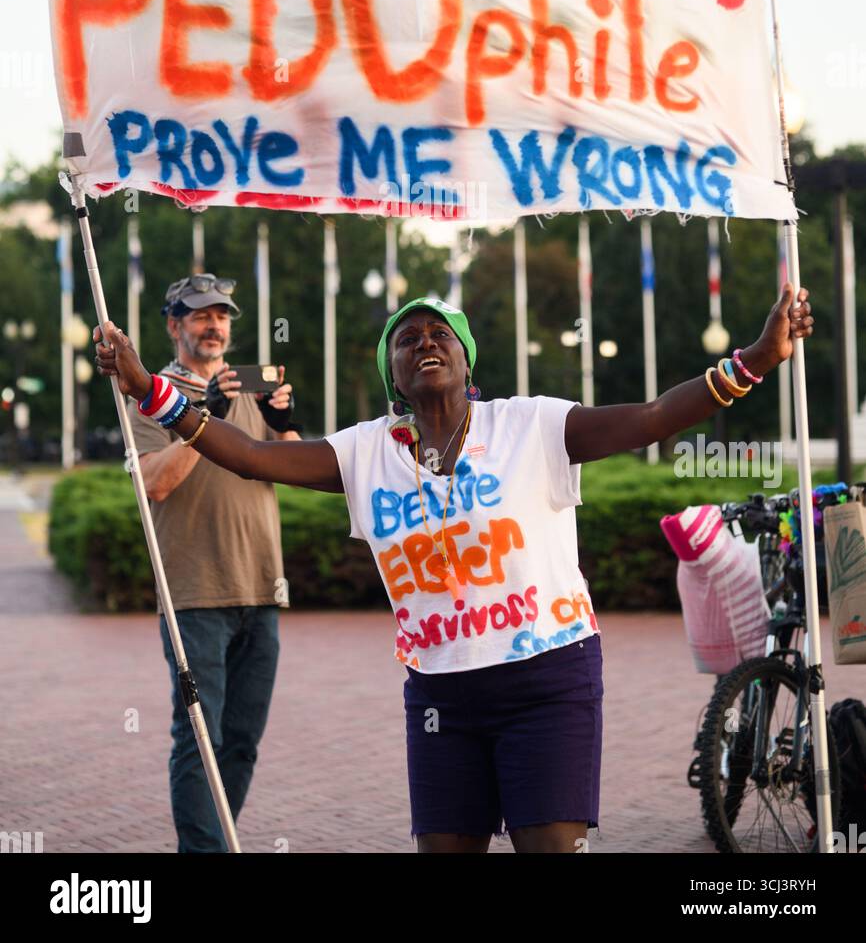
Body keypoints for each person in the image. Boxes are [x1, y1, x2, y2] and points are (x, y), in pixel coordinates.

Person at [96, 277, 814, 855]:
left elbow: (655, 416)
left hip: (548, 680)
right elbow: (248, 456)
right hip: (441, 696)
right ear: (394, 377)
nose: (426, 342)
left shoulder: (530, 426)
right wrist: (143, 386)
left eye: (442, 334)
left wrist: (755, 358)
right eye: (407, 340)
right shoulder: (364, 452)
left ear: (469, 363)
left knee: (550, 846)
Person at [126, 272, 300, 854]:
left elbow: (297, 467)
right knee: (200, 737)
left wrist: (283, 426)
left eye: (222, 315)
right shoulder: (150, 395)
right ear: (174, 325)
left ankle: (217, 844)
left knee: (243, 741)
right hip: (195, 596)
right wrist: (203, 423)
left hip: (261, 588)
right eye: (200, 315)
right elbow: (154, 484)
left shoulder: (245, 389)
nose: (214, 325)